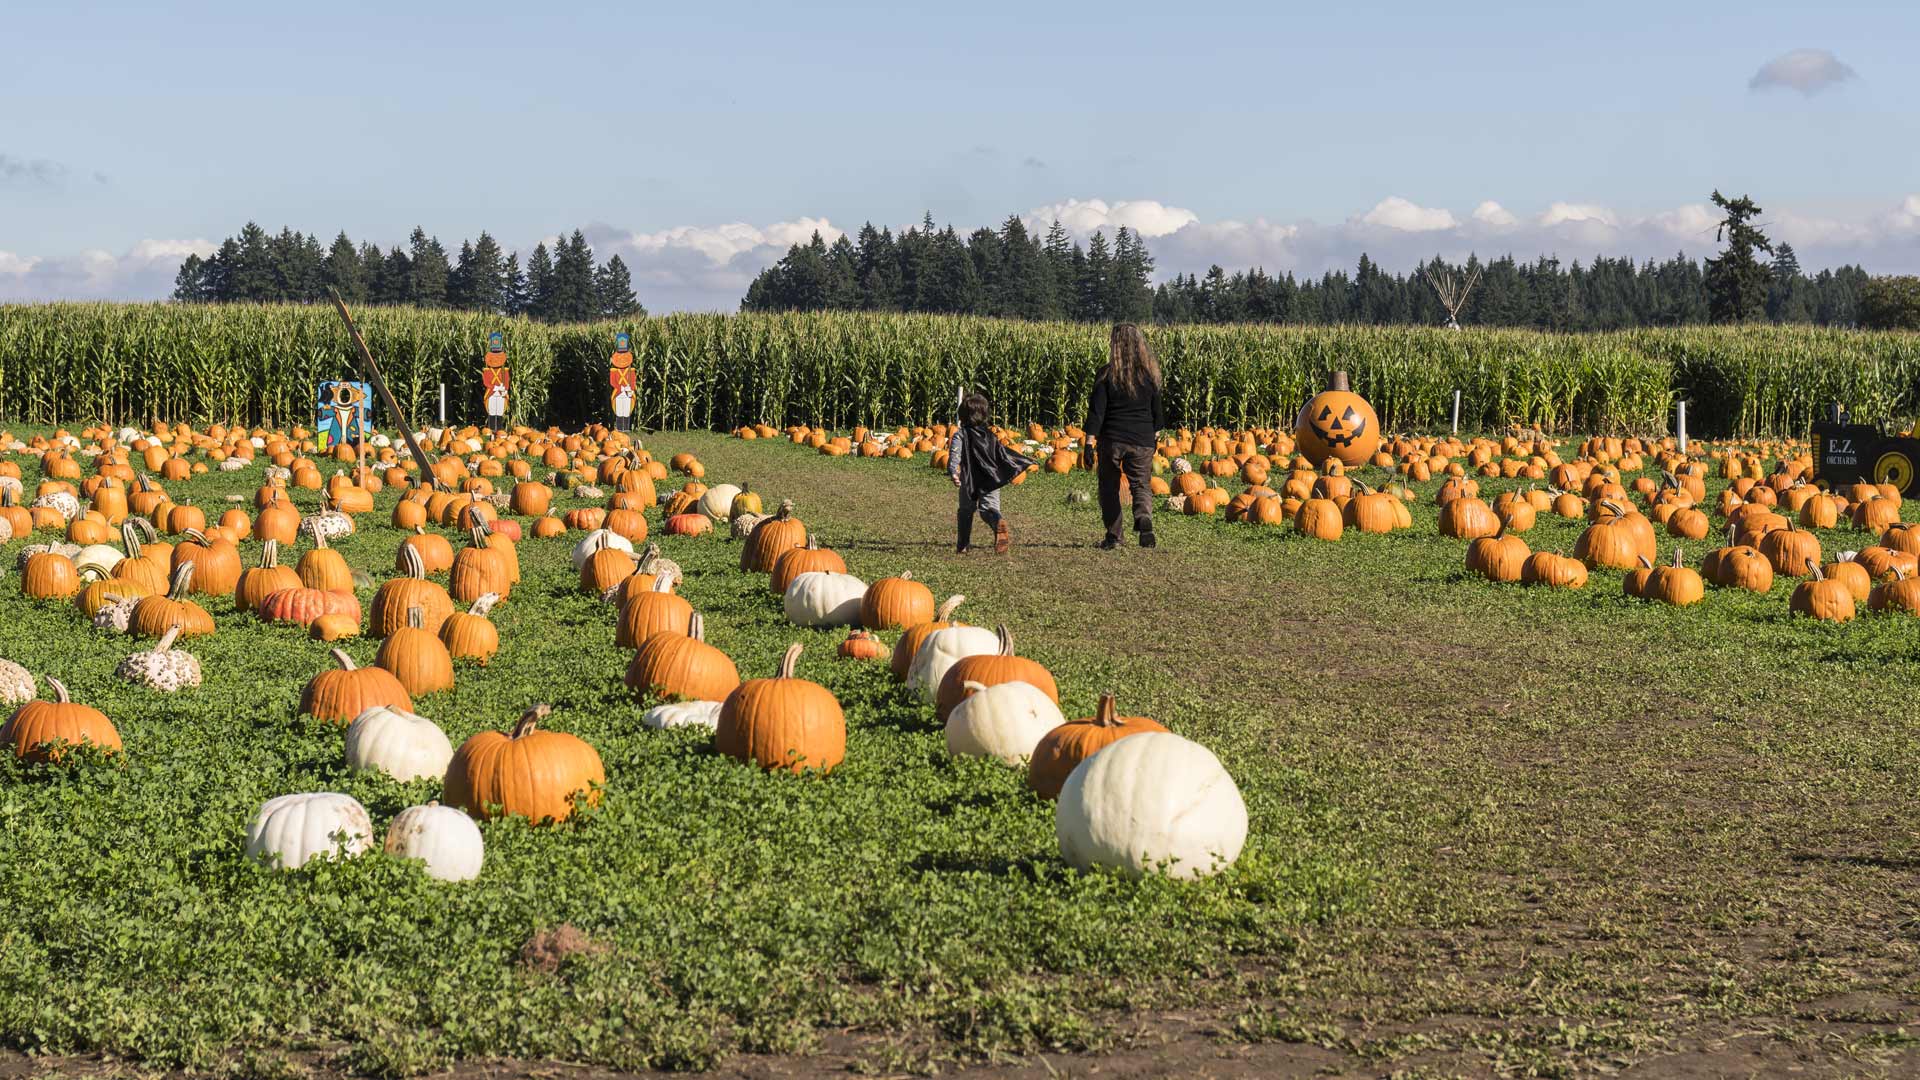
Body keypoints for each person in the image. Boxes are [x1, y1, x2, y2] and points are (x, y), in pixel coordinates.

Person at [1085, 323, 1165, 549]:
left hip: (1112, 439)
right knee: (1141, 485)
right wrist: (1154, 438)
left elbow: (1096, 413)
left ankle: (1114, 537)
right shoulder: (1149, 376)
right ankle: (1143, 518)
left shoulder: (1106, 374)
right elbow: (1157, 417)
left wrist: (1089, 444)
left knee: (1108, 487)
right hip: (1142, 440)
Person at [947, 391, 1028, 554]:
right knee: (988, 509)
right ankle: (997, 521)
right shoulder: (990, 436)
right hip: (990, 478)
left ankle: (963, 545)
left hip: (969, 480)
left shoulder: (961, 435)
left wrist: (954, 472)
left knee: (966, 510)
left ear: (962, 416)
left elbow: (954, 455)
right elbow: (1000, 455)